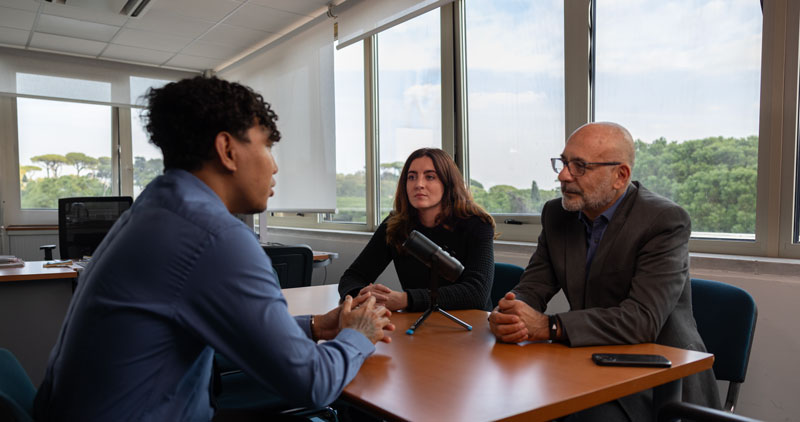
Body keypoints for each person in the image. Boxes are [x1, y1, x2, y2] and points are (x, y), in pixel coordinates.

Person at [33, 76, 394, 421]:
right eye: (267, 145)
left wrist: (315, 326)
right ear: (227, 150)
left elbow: (209, 327)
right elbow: (313, 385)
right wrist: (357, 335)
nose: (275, 165)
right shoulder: (213, 237)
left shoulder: (155, 210)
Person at [488, 122, 719, 420]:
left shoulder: (664, 220)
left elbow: (642, 320)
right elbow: (534, 286)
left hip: (658, 378)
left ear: (619, 176)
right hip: (587, 363)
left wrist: (549, 326)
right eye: (563, 162)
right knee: (511, 400)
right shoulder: (558, 214)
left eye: (579, 166)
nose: (563, 175)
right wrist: (511, 312)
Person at [338, 148, 495, 312]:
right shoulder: (395, 225)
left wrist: (405, 299)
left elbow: (477, 294)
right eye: (411, 177)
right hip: (415, 322)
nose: (419, 184)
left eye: (430, 177)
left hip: (469, 325)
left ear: (448, 183)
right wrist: (362, 294)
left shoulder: (477, 224)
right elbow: (352, 277)